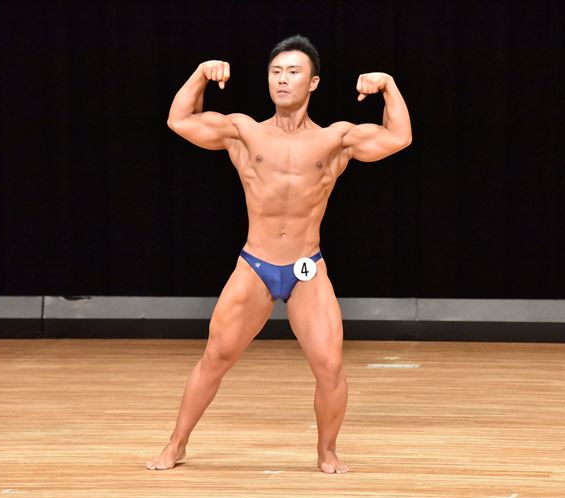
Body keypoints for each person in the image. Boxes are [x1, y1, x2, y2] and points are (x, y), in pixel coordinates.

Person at [147, 35, 411, 474]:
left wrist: (388, 85)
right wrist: (200, 73)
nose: (282, 79)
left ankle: (327, 451)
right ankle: (176, 444)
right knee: (215, 358)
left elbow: (399, 136)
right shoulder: (244, 131)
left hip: (307, 267)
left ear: (313, 83)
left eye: (293, 72)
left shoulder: (334, 138)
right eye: (276, 72)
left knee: (330, 366)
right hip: (255, 264)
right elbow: (179, 119)